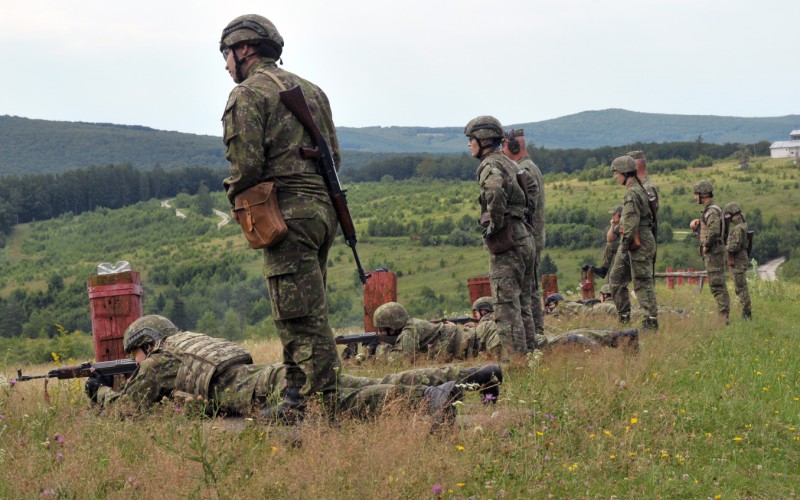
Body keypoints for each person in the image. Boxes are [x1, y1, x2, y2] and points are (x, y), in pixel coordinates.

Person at [218, 14, 342, 419]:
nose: (225, 65)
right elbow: (334, 158)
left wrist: (233, 193)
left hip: (284, 216)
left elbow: (247, 167)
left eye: (226, 55)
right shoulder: (313, 91)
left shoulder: (247, 96)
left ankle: (323, 407)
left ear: (244, 50)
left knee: (299, 320)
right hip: (322, 213)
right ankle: (297, 400)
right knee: (307, 311)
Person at [85, 316, 503, 422]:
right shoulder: (190, 344)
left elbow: (127, 412)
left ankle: (429, 398)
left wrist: (99, 392)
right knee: (371, 379)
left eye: (136, 355)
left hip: (268, 389)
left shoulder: (160, 361)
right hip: (273, 375)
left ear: (146, 345)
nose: (138, 363)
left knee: (346, 401)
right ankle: (471, 378)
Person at [466, 116, 536, 358]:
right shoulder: (511, 163)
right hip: (525, 234)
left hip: (509, 238)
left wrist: (494, 227)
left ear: (483, 140)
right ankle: (531, 357)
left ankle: (516, 365)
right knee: (523, 303)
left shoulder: (489, 166)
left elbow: (494, 189)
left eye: (471, 140)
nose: (469, 145)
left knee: (506, 308)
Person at [502, 129, 546, 347]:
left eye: (503, 146)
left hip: (529, 235)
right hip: (533, 235)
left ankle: (537, 333)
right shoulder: (530, 167)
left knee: (529, 291)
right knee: (531, 288)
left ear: (513, 147)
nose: (501, 151)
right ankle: (536, 333)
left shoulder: (523, 169)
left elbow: (528, 207)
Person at [608, 156, 659, 331]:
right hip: (640, 241)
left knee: (642, 282)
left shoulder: (632, 193)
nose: (615, 177)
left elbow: (629, 224)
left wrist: (622, 245)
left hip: (638, 242)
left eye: (616, 173)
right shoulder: (640, 189)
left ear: (624, 172)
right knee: (616, 280)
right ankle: (624, 318)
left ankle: (650, 321)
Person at [371, 302, 502, 361]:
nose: (380, 333)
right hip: (475, 342)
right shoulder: (409, 328)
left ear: (393, 326)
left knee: (504, 362)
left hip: (483, 335)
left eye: (382, 329)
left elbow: (402, 359)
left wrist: (379, 350)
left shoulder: (410, 330)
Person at [689, 180, 730, 323]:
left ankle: (723, 318)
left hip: (713, 253)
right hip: (714, 252)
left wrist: (706, 245)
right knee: (717, 284)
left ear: (703, 195)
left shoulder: (711, 211)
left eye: (696, 195)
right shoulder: (710, 211)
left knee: (717, 285)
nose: (695, 198)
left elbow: (713, 231)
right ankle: (723, 316)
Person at [723, 202, 752, 319]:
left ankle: (747, 314)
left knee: (741, 288)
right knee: (740, 287)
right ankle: (746, 312)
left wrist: (724, 246)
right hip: (740, 260)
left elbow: (733, 246)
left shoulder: (738, 229)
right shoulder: (741, 226)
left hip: (739, 261)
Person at [582, 205, 622, 279]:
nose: (613, 217)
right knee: (609, 244)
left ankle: (604, 269)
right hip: (624, 247)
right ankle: (603, 269)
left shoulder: (626, 222)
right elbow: (609, 239)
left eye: (614, 214)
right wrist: (612, 226)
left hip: (629, 247)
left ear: (620, 214)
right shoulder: (618, 225)